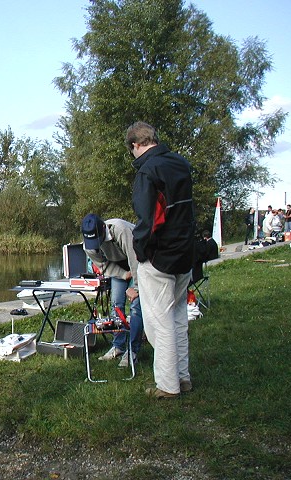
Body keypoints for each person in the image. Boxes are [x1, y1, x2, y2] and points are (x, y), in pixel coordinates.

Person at [126, 121, 195, 399]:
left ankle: (168, 386)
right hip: (185, 252)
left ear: (135, 145)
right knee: (178, 316)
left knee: (159, 322)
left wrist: (141, 251)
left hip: (160, 257)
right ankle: (182, 377)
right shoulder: (181, 164)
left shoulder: (148, 171)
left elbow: (148, 219)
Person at [81, 214, 144, 368]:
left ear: (104, 228)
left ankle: (132, 351)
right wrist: (123, 275)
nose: (96, 244)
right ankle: (119, 346)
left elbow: (136, 260)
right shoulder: (88, 245)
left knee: (136, 307)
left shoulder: (121, 230)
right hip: (118, 265)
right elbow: (103, 266)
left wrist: (135, 287)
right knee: (116, 304)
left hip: (139, 260)